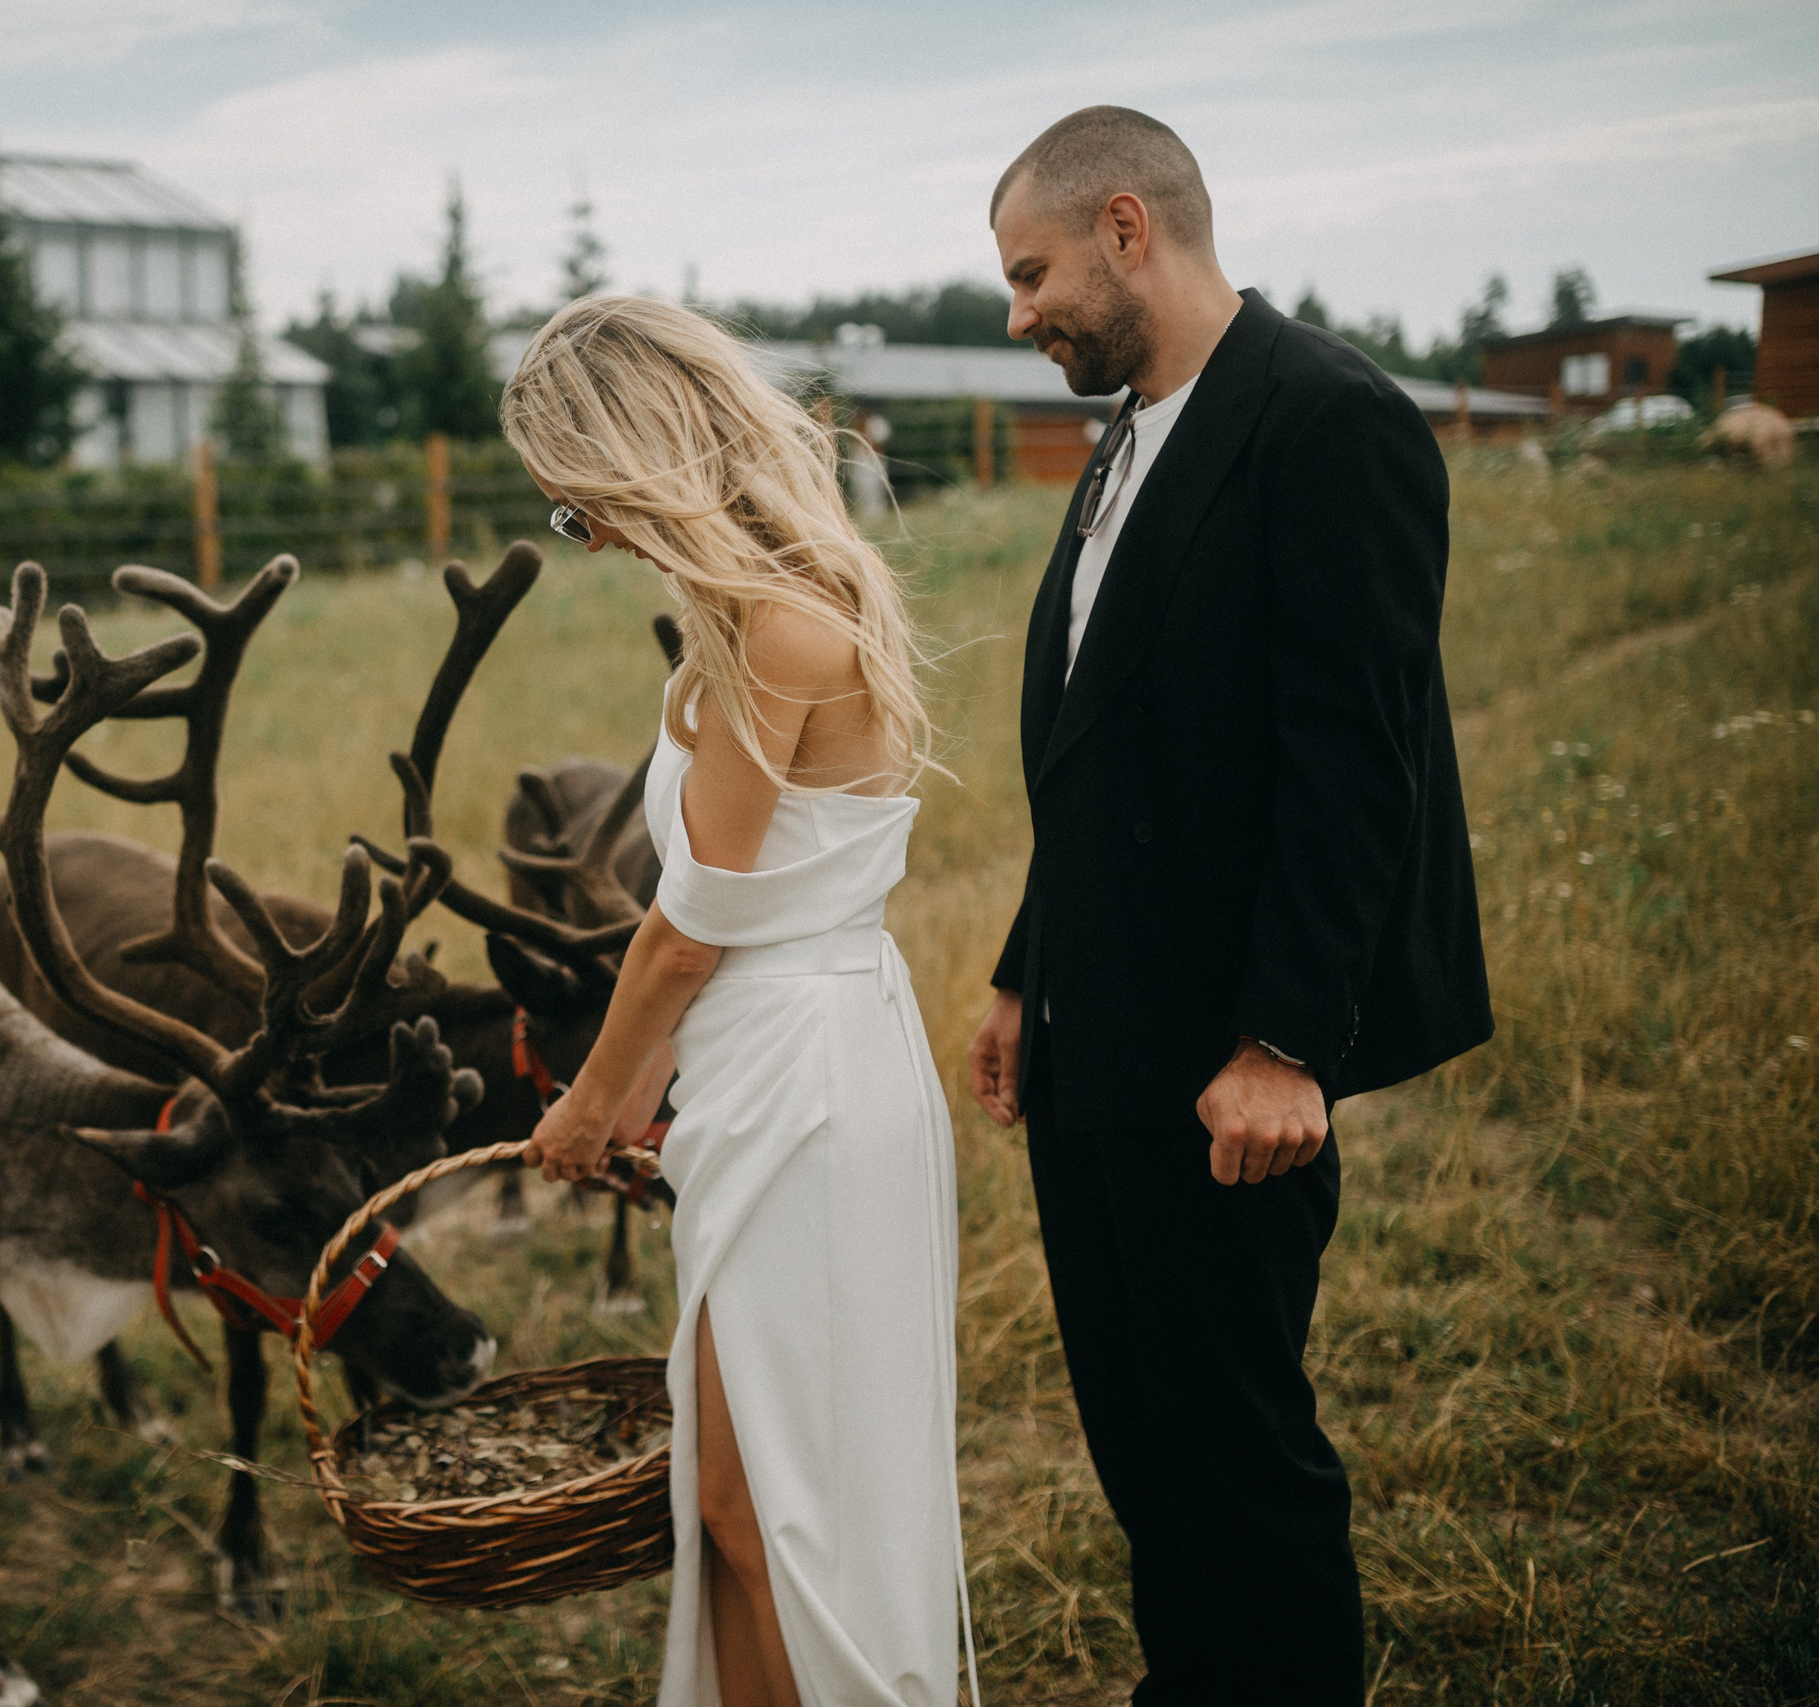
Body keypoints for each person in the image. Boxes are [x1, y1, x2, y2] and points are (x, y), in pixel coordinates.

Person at [964, 107, 1493, 1706]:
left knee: (1238, 1451)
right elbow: (1104, 743)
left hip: (1222, 1068)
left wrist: (1283, 1044)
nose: (1018, 314)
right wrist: (1020, 974)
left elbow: (1359, 769)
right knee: (1142, 1436)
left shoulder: (1330, 422)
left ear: (1129, 229)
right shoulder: (1132, 427)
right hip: (1092, 1040)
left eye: (1031, 272)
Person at [511, 295, 976, 1707]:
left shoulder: (779, 629)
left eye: (581, 513)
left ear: (637, 462)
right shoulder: (749, 615)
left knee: (783, 1517)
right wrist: (660, 1080)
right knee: (733, 1502)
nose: (591, 542)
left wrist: (595, 1104)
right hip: (768, 1064)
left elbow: (688, 934)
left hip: (809, 1078)